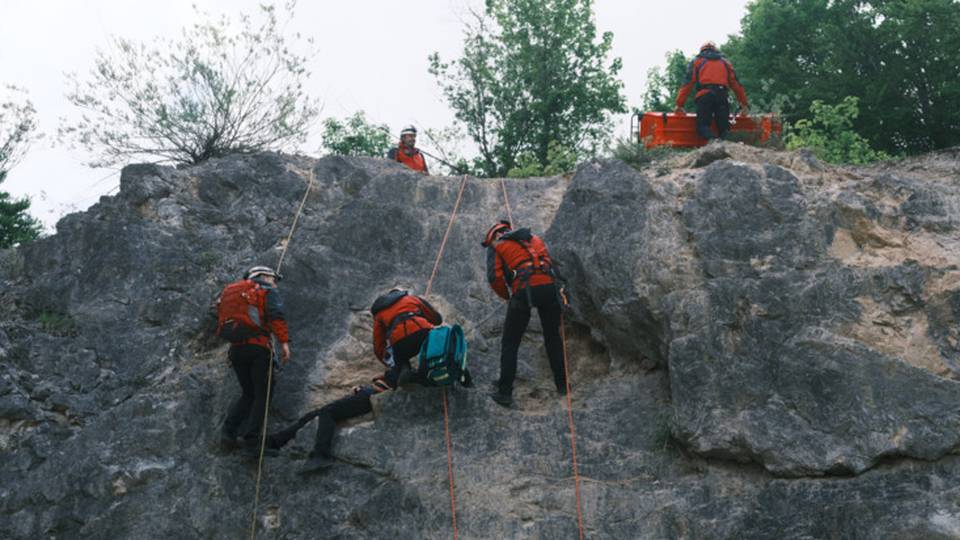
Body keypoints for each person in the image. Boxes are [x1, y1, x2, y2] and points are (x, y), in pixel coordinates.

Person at [267, 287, 444, 474]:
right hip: (383, 386)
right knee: (323, 412)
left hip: (377, 393)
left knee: (327, 412)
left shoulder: (396, 350)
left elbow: (379, 347)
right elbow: (436, 318)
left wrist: (382, 372)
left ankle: (318, 455)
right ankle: (278, 440)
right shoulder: (417, 320)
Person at [482, 221, 568, 408]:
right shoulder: (534, 239)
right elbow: (551, 265)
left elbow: (495, 278)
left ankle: (505, 392)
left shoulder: (497, 246)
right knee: (553, 337)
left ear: (494, 235)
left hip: (523, 291)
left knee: (511, 342)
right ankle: (562, 386)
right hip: (549, 288)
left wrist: (508, 296)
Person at [218, 266, 291, 454]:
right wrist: (283, 342)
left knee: (248, 393)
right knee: (262, 394)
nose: (275, 283)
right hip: (258, 348)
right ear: (264, 276)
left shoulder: (232, 292)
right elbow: (276, 316)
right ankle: (252, 442)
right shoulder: (266, 290)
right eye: (274, 278)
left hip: (236, 350)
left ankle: (228, 432)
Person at [674, 42, 750, 141]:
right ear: (715, 50)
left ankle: (714, 142)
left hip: (705, 96)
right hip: (722, 96)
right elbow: (736, 85)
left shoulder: (697, 61)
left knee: (702, 127)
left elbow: (687, 84)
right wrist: (744, 104)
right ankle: (726, 146)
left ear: (702, 50)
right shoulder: (725, 63)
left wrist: (679, 104)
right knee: (724, 130)